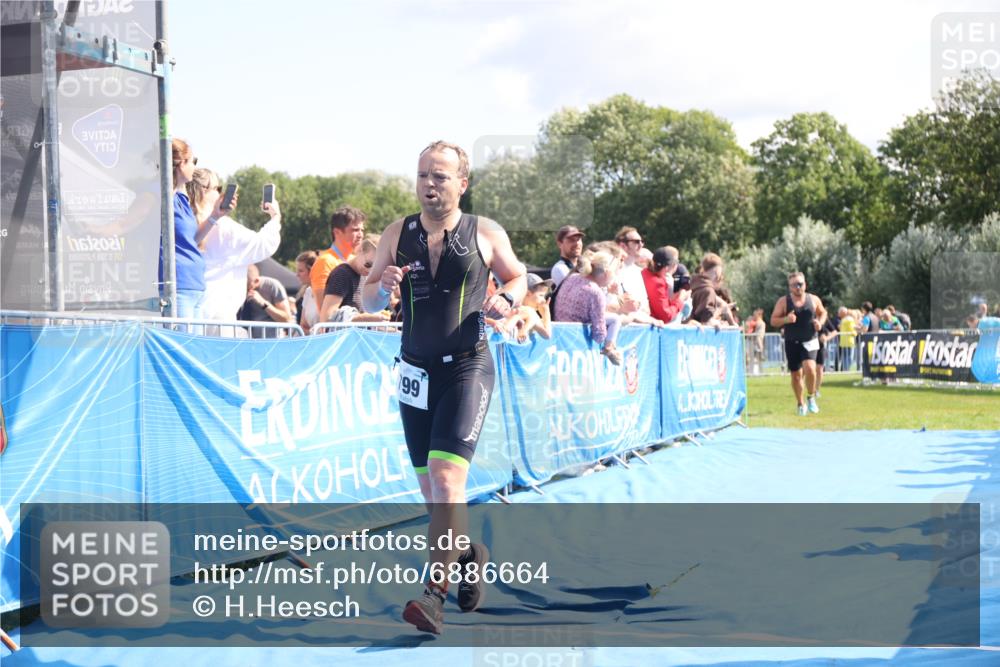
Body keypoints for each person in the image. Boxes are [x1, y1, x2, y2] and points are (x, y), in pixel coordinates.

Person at [361, 141, 526, 635]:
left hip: (466, 368)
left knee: (447, 478)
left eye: (440, 176)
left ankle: (433, 596)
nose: (429, 185)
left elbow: (519, 278)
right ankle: (469, 554)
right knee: (435, 498)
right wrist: (382, 286)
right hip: (415, 373)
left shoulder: (485, 232)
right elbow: (368, 296)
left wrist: (507, 299)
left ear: (462, 183)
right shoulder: (397, 233)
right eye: (422, 176)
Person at [198, 170, 283, 329]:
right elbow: (263, 244)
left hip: (193, 312)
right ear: (204, 191)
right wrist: (275, 216)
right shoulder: (225, 228)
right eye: (218, 188)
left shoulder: (185, 222)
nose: (221, 193)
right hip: (218, 316)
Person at [160, 138, 214, 324]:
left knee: (193, 342)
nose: (194, 167)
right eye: (193, 161)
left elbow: (192, 239)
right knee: (180, 342)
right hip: (177, 286)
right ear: (181, 163)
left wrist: (216, 215)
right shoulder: (159, 197)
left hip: (195, 287)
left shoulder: (181, 198)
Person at [770, 271, 827, 416]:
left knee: (811, 369)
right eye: (794, 285)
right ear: (789, 287)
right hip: (792, 341)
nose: (797, 287)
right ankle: (801, 403)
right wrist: (786, 320)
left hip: (810, 339)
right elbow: (773, 320)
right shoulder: (783, 301)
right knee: (796, 376)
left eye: (800, 284)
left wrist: (820, 323)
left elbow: (823, 312)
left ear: (805, 284)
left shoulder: (813, 299)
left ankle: (811, 396)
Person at [553, 250, 624, 365]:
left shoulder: (572, 277)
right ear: (606, 272)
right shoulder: (595, 292)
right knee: (616, 319)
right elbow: (598, 336)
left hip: (558, 332)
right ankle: (609, 348)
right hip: (575, 341)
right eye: (614, 273)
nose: (614, 277)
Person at [320, 234, 391, 324]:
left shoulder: (364, 276)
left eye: (376, 268)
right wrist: (365, 318)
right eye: (368, 264)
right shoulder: (342, 274)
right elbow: (327, 317)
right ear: (360, 250)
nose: (370, 271)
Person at [310, 206, 367, 311]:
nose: (360, 235)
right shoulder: (325, 262)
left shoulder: (356, 260)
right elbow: (323, 310)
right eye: (355, 230)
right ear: (337, 232)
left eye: (362, 230)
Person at [491, 273, 554, 342]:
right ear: (527, 293)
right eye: (541, 295)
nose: (544, 300)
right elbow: (547, 335)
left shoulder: (508, 308)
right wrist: (546, 313)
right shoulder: (529, 311)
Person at [237, 263, 293, 338]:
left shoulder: (272, 286)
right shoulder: (238, 288)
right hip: (248, 340)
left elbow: (286, 319)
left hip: (272, 341)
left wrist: (263, 303)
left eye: (247, 287)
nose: (245, 290)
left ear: (256, 281)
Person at [641, 246, 689, 325]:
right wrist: (681, 298)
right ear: (667, 268)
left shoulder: (644, 272)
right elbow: (666, 316)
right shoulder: (658, 283)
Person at [689, 253, 736, 326]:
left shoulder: (694, 285)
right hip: (699, 331)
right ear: (717, 272)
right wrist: (720, 311)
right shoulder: (708, 291)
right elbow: (706, 320)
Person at [294, 251, 319, 334]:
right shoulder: (308, 291)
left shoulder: (327, 292)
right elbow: (303, 326)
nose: (297, 274)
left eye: (301, 271)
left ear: (312, 271)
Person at [744, 308, 766, 375]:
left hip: (757, 343)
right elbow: (747, 329)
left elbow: (759, 335)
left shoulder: (760, 323)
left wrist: (760, 346)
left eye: (755, 314)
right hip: (752, 342)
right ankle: (751, 372)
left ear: (758, 315)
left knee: (759, 359)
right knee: (751, 358)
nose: (753, 316)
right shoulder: (753, 322)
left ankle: (760, 372)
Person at [837, 306, 857, 372]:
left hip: (843, 341)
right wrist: (856, 333)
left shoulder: (843, 320)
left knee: (845, 357)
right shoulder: (850, 320)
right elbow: (852, 330)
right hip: (849, 341)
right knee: (849, 357)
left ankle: (844, 369)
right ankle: (846, 370)